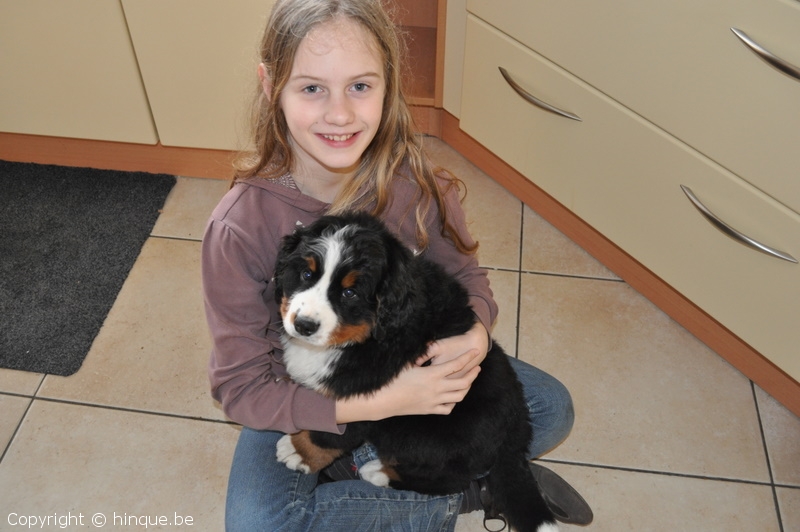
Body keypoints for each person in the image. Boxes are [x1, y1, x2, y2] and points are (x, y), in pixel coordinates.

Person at [201, 0, 592, 530]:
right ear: (272, 87)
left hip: (402, 362)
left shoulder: (419, 184)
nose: (340, 114)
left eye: (360, 86)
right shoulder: (238, 229)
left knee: (551, 409)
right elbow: (241, 389)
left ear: (389, 86)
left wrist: (476, 335)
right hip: (294, 388)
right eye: (312, 87)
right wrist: (372, 406)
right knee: (260, 525)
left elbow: (468, 279)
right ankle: (462, 491)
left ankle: (374, 464)